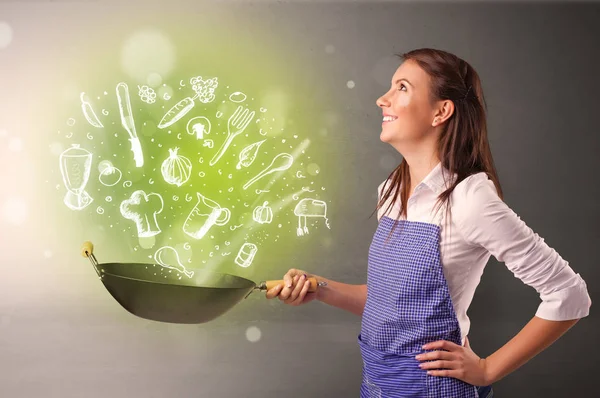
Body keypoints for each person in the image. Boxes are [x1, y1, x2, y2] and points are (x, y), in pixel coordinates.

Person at [265, 48, 592, 397]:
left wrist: (487, 369)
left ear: (441, 111)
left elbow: (569, 293)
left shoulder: (470, 199)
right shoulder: (391, 190)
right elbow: (387, 302)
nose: (381, 99)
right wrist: (318, 288)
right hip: (379, 386)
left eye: (402, 87)